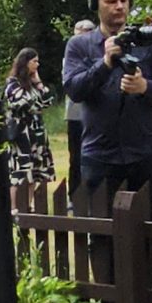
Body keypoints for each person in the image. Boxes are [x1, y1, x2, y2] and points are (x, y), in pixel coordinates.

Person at [64, 0, 152, 303]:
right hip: (99, 153)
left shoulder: (150, 43)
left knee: (149, 228)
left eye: (124, 0)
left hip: (143, 149)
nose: (119, 7)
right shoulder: (80, 45)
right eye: (111, 1)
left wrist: (145, 87)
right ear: (95, 5)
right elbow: (74, 89)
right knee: (102, 231)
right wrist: (105, 63)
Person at [3, 47, 56, 193]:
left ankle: (29, 203)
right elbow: (23, 104)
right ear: (25, 62)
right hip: (22, 133)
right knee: (21, 172)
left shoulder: (33, 84)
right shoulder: (13, 84)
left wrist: (38, 83)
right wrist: (36, 104)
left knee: (34, 173)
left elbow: (47, 102)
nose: (37, 64)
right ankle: (15, 205)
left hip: (36, 133)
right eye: (34, 61)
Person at [64, 19, 95, 189]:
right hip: (75, 113)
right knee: (75, 156)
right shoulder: (70, 55)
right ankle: (74, 193)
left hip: (94, 113)